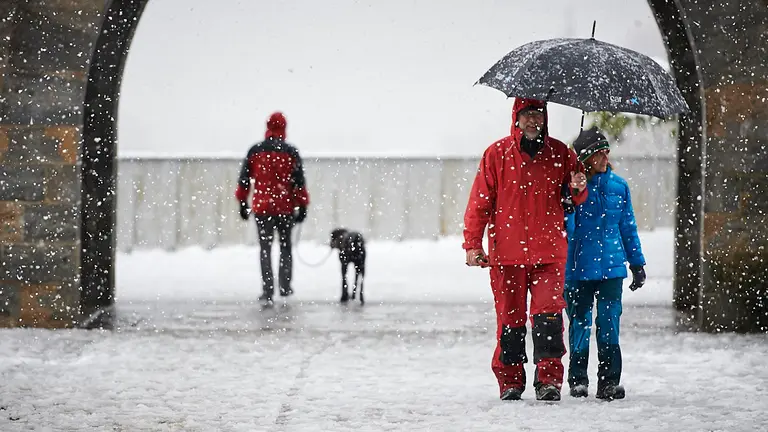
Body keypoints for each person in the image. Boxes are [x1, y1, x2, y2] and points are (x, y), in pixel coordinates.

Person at [463, 97, 588, 401]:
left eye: (538, 115)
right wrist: (472, 244)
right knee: (511, 321)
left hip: (548, 253)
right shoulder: (496, 154)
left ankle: (548, 381)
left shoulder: (562, 154)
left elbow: (574, 198)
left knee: (548, 318)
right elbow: (480, 203)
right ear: (516, 118)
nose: (533, 121)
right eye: (527, 115)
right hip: (507, 255)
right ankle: (510, 381)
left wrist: (578, 185)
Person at [564, 126, 646, 400]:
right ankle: (578, 379)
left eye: (606, 152)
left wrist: (637, 263)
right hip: (578, 267)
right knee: (580, 322)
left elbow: (627, 227)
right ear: (585, 158)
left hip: (612, 267)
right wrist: (572, 199)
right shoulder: (571, 186)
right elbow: (568, 230)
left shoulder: (619, 187)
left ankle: (609, 381)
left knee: (609, 321)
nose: (604, 158)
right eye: (598, 154)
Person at [235, 112, 310, 303]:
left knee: (265, 248)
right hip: (285, 208)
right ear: (284, 128)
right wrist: (301, 205)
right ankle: (285, 288)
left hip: (262, 208)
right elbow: (298, 182)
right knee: (286, 247)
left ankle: (267, 290)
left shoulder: (255, 151)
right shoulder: (291, 152)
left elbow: (244, 180)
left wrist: (243, 203)